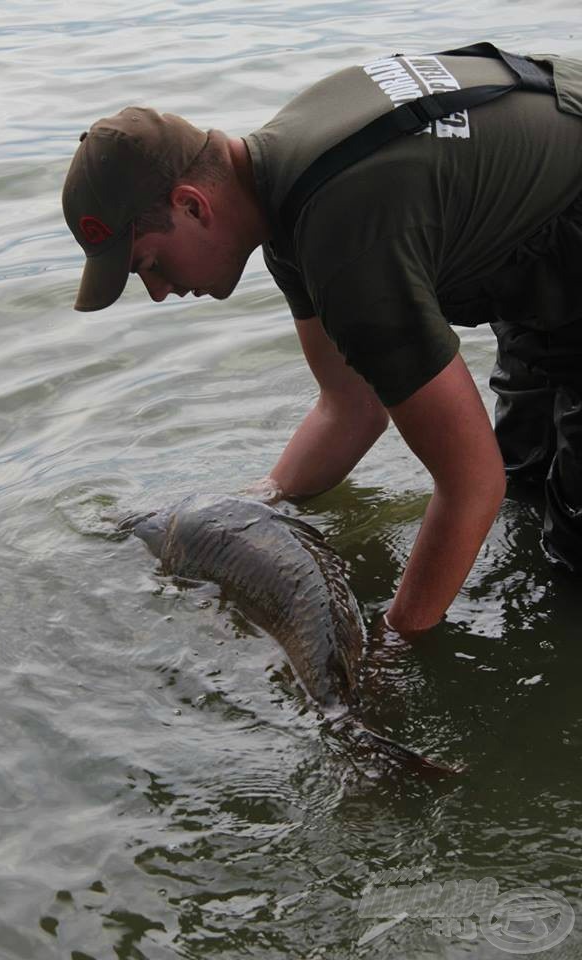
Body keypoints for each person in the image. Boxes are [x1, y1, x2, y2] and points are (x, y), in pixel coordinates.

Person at [62, 42, 582, 635]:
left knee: (571, 559)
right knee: (526, 486)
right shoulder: (280, 184)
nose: (157, 291)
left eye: (147, 265)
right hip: (543, 227)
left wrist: (395, 641)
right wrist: (255, 505)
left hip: (566, 202)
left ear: (191, 205)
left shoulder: (344, 238)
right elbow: (350, 409)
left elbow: (470, 482)